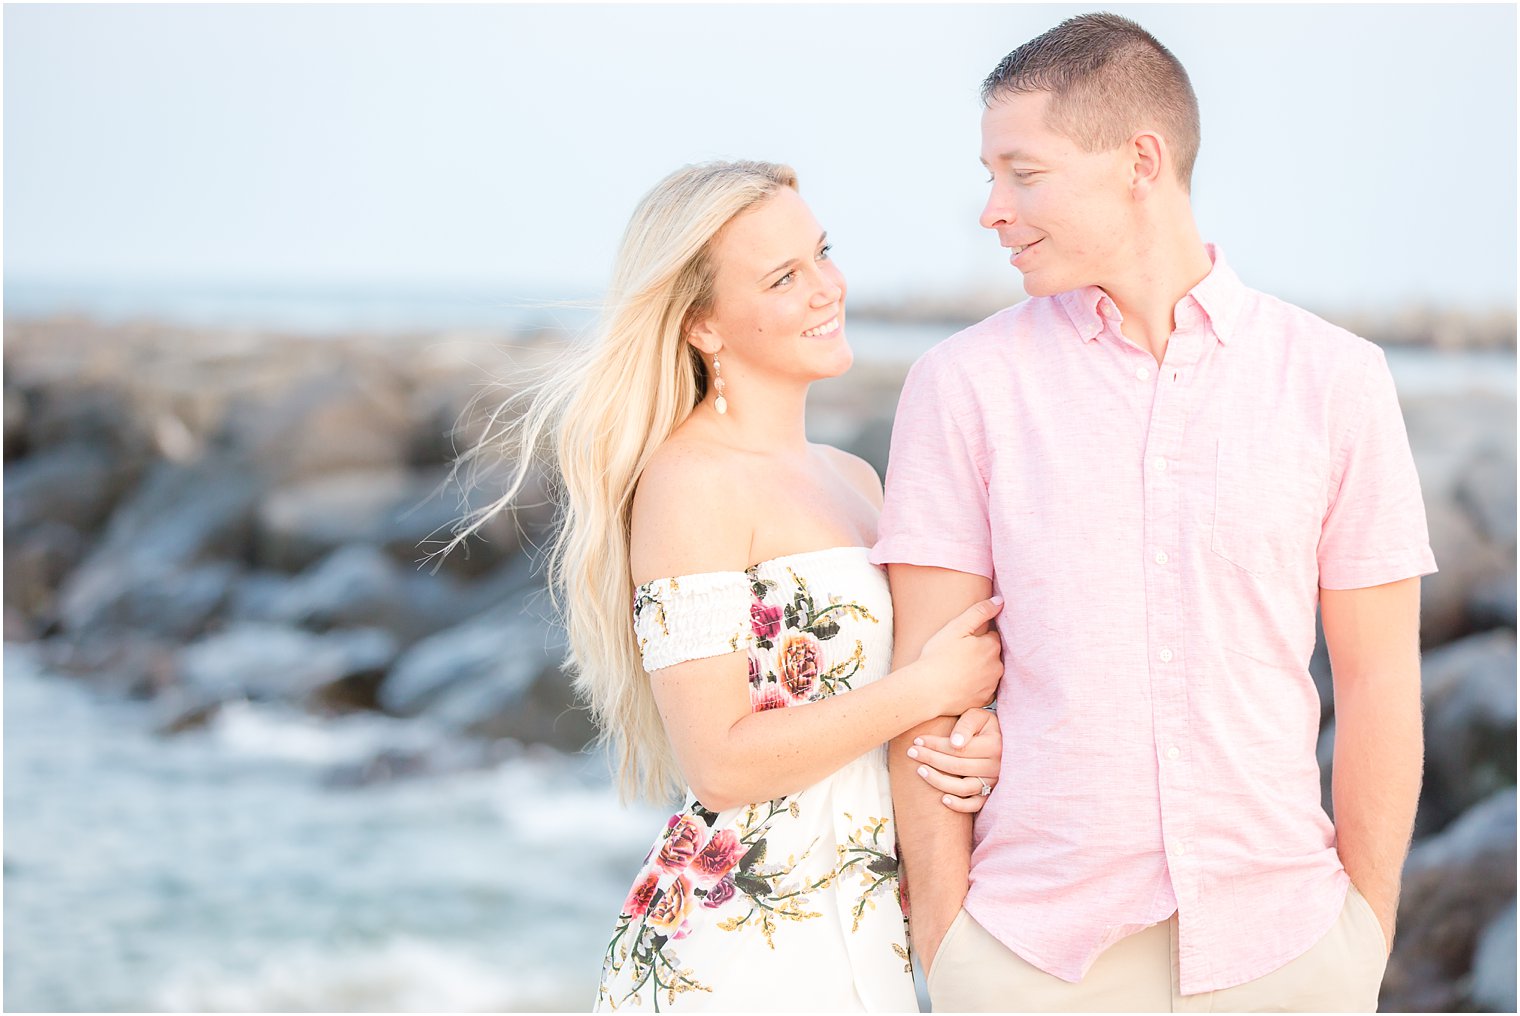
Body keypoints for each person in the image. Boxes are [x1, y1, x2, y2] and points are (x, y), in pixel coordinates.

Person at [871, 12, 1436, 1013]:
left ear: (1140, 158)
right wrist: (945, 937)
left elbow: (1377, 673)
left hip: (1287, 944)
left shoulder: (1336, 380)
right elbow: (924, 683)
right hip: (1028, 954)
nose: (990, 209)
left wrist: (1364, 930)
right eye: (988, 174)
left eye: (1022, 172)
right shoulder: (958, 386)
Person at [445, 160, 1007, 1012]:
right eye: (785, 277)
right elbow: (719, 760)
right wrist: (927, 687)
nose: (827, 288)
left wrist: (965, 747)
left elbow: (884, 718)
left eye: (822, 253)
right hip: (738, 958)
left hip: (857, 944)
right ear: (703, 325)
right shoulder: (689, 484)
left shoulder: (854, 478)